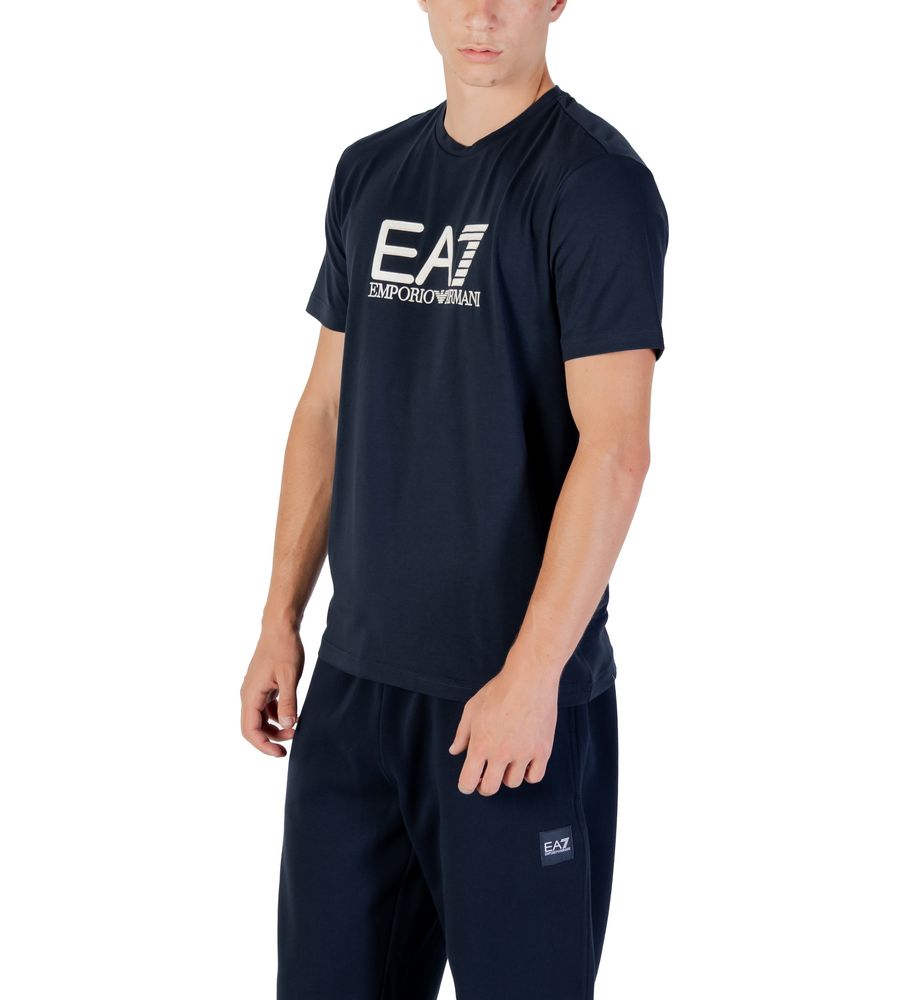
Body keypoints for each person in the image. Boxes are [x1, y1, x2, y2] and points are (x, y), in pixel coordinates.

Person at [239, 2, 668, 997]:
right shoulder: (370, 171)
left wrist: (532, 675)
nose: (480, 13)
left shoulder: (595, 185)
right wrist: (278, 619)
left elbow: (615, 448)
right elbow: (324, 410)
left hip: (508, 701)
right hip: (354, 694)